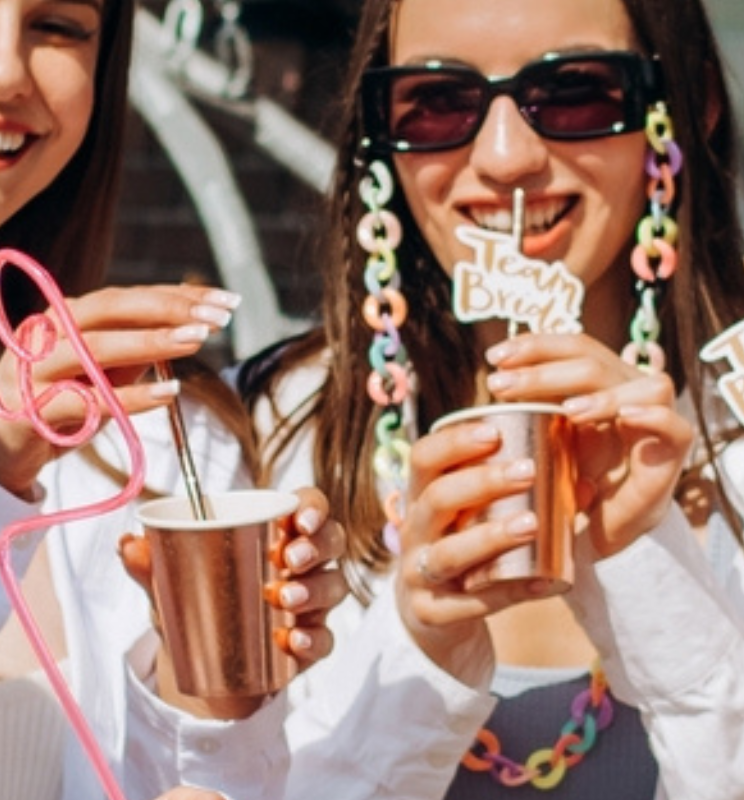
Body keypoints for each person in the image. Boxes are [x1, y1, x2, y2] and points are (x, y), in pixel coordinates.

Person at [224, 0, 744, 796]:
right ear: (376, 136)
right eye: (437, 102)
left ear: (690, 108)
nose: (505, 158)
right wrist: (418, 643)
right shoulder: (259, 439)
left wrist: (648, 561)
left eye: (576, 91)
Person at [0, 0, 345, 797]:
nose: (2, 69)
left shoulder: (146, 437)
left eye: (57, 26)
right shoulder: (21, 443)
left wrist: (213, 699)